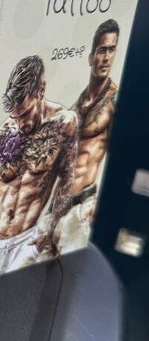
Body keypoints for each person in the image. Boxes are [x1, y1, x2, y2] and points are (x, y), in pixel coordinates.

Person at [0, 55, 78, 285]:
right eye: (14, 116)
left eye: (24, 114)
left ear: (40, 91)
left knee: (13, 306)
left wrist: (50, 227)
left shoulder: (63, 125)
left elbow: (68, 178)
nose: (19, 123)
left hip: (26, 244)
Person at [57, 19, 119, 252]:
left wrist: (103, 205)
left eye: (111, 50)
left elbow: (119, 159)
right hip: (57, 207)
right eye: (102, 50)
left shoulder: (113, 102)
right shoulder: (78, 103)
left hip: (83, 206)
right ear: (91, 56)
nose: (106, 58)